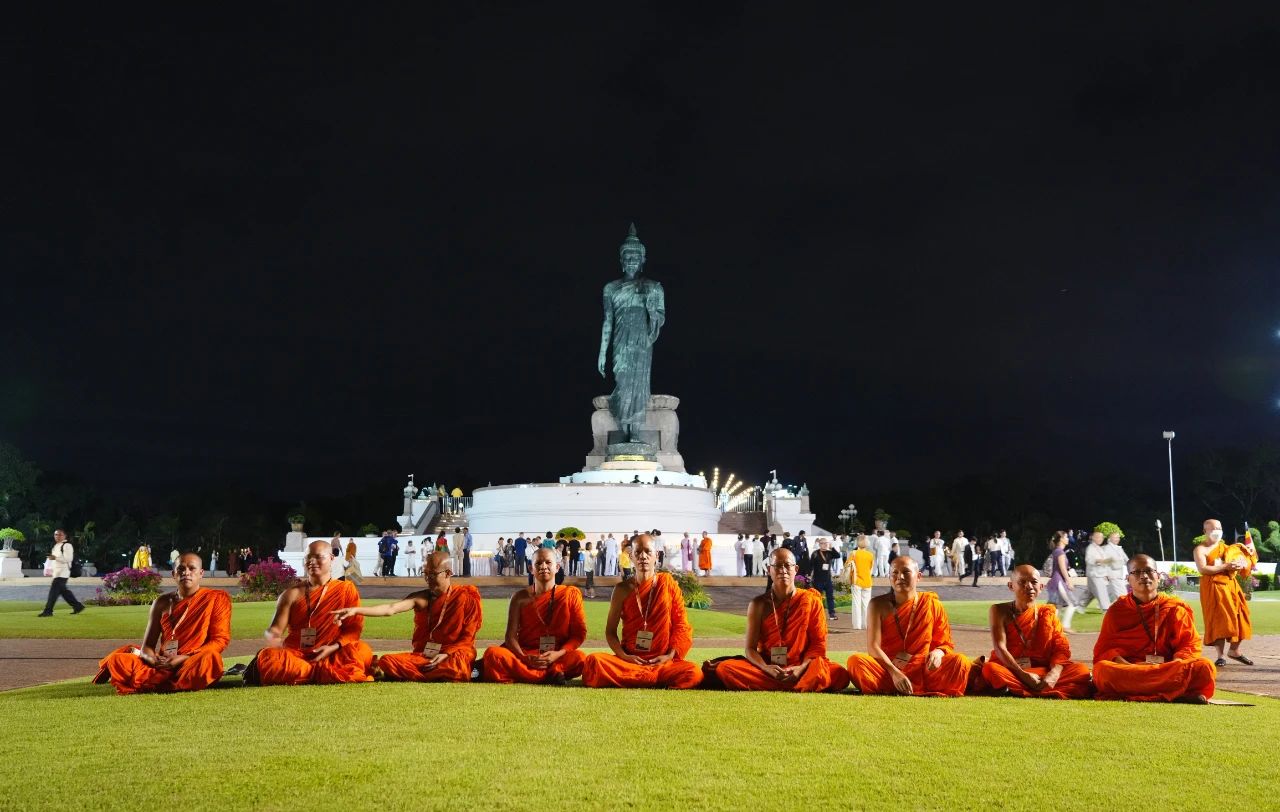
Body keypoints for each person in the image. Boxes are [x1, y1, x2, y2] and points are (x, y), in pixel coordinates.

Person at [94, 553, 231, 694]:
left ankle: (155, 684)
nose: (186, 573)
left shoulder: (216, 598)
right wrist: (153, 660)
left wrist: (183, 657)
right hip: (162, 663)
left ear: (201, 573)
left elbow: (219, 640)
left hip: (190, 660)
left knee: (211, 659)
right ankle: (170, 683)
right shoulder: (161, 602)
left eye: (192, 568)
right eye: (181, 569)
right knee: (118, 660)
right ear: (174, 574)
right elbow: (147, 646)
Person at [335, 551, 482, 682]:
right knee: (387, 661)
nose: (428, 579)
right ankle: (438, 672)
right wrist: (356, 610)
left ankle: (442, 670)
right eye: (425, 574)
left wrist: (447, 654)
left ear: (448, 573)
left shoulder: (466, 597)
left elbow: (468, 637)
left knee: (458, 663)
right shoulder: (422, 598)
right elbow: (390, 609)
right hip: (425, 656)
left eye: (432, 574)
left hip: (455, 652)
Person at [716, 548, 850, 692]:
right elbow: (750, 649)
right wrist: (766, 668)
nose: (783, 570)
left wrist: (800, 668)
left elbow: (818, 645)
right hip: (770, 667)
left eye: (787, 565)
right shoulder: (758, 604)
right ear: (769, 569)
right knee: (726, 668)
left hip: (803, 666)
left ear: (796, 569)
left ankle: (788, 682)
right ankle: (801, 684)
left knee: (840, 674)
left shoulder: (811, 600)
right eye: (777, 566)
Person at [244, 540, 375, 686]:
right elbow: (275, 629)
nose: (312, 561)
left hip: (332, 652)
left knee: (362, 651)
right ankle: (322, 673)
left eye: (318, 557)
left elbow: (353, 630)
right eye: (308, 558)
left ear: (331, 558)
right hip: (297, 654)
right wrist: (273, 636)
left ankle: (307, 673)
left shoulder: (346, 589)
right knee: (268, 657)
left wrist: (333, 647)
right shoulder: (290, 594)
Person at [582, 534, 702, 689]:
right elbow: (610, 632)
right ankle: (651, 679)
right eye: (638, 553)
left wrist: (669, 655)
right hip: (630, 661)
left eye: (648, 552)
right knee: (594, 662)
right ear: (631, 556)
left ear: (656, 555)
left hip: (662, 661)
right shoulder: (622, 589)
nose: (643, 557)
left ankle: (639, 678)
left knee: (694, 672)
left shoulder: (668, 584)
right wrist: (624, 656)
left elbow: (681, 625)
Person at [1092, 554, 1216, 703]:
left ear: (1158, 576)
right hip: (1131, 669)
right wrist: (1131, 667)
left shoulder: (1174, 608)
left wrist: (1173, 665)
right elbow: (1105, 650)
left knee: (1205, 666)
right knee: (1102, 670)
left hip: (1167, 668)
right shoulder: (1117, 611)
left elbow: (1188, 645)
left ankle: (1156, 689)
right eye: (1136, 572)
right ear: (1128, 579)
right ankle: (1177, 692)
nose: (1144, 576)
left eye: (1149, 571)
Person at [846, 556, 976, 696]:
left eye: (906, 572)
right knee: (856, 662)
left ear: (918, 576)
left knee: (960, 661)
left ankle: (898, 689)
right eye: (894, 573)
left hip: (924, 667)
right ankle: (904, 685)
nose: (900, 577)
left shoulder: (931, 603)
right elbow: (873, 647)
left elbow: (945, 643)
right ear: (889, 577)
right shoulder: (877, 605)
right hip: (889, 668)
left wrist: (938, 653)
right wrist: (895, 673)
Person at [981, 564, 1093, 699]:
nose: (1029, 586)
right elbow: (1000, 648)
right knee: (990, 669)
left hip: (1044, 671)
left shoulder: (1047, 612)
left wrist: (1054, 673)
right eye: (1022, 582)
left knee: (1082, 670)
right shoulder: (999, 611)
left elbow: (1060, 648)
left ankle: (1016, 689)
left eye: (1034, 582)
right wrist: (1024, 676)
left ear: (1041, 587)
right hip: (1013, 670)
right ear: (1011, 586)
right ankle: (1040, 689)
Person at [483, 547, 588, 684]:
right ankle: (551, 674)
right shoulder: (519, 597)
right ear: (531, 569)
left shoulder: (570, 594)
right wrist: (525, 658)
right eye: (538, 563)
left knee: (580, 658)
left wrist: (558, 654)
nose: (543, 567)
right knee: (493, 654)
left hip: (556, 655)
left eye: (548, 563)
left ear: (557, 567)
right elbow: (510, 636)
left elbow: (578, 634)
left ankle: (529, 675)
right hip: (527, 654)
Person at [1194, 518, 1254, 667]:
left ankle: (1234, 650)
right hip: (1213, 587)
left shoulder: (1228, 548)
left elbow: (1238, 565)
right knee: (1219, 619)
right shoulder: (1200, 549)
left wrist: (1240, 564)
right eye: (1213, 528)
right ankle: (1220, 656)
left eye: (1219, 528)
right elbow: (1203, 569)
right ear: (1205, 531)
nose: (1217, 531)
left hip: (1231, 585)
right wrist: (1226, 566)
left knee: (1242, 615)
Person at [38, 529, 86, 616]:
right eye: (56, 535)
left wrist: (55, 558)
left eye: (60, 535)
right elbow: (54, 560)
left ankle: (48, 611)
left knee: (53, 592)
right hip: (57, 573)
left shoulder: (67, 545)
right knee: (64, 592)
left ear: (65, 536)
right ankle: (77, 606)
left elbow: (68, 559)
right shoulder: (56, 546)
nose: (57, 536)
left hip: (63, 573)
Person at [1044, 531, 1078, 631]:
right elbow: (1062, 568)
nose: (1068, 539)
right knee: (1073, 603)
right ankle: (1065, 626)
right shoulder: (1060, 552)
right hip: (1059, 581)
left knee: (1057, 606)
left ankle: (1050, 627)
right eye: (1066, 537)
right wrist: (1069, 581)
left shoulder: (1056, 551)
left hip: (1055, 581)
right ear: (1061, 539)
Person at [810, 537, 840, 621]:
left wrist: (832, 547)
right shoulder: (815, 553)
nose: (826, 544)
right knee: (817, 598)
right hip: (817, 579)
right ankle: (817, 615)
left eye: (826, 543)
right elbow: (811, 565)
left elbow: (838, 556)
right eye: (823, 543)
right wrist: (809, 575)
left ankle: (832, 614)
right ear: (819, 544)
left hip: (827, 579)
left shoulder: (830, 553)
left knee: (830, 597)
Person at [848, 534, 874, 630]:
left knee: (856, 603)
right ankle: (866, 624)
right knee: (866, 604)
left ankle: (857, 625)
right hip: (867, 581)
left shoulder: (854, 553)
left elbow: (847, 566)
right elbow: (871, 569)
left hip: (856, 581)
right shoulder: (870, 555)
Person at [1104, 531, 1129, 604]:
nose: (1118, 539)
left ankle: (1103, 603)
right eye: (1116, 537)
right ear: (1110, 538)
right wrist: (1105, 574)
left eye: (1118, 537)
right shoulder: (1106, 548)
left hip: (1119, 574)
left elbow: (1126, 559)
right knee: (1122, 594)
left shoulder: (1119, 548)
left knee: (1112, 593)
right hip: (1112, 574)